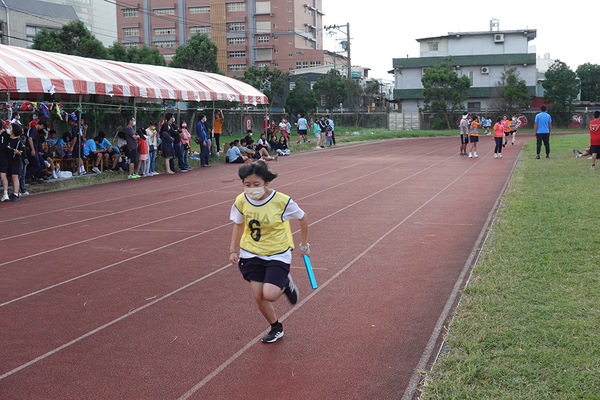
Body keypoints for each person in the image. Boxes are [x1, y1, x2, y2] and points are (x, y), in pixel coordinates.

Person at [228, 161, 309, 343]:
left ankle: (285, 283)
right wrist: (232, 250)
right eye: (247, 184)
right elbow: (238, 223)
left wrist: (304, 245)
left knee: (270, 295)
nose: (251, 189)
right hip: (251, 253)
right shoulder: (241, 200)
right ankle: (276, 327)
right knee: (259, 297)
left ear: (266, 183)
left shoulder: (282, 201)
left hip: (277, 252)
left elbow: (303, 218)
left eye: (256, 184)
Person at [0, 123, 24, 201]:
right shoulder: (8, 139)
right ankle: (14, 192)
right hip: (9, 160)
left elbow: (22, 151)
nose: (8, 129)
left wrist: (18, 152)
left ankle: (16, 193)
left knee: (15, 177)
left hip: (15, 161)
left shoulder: (18, 141)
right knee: (11, 177)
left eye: (10, 128)